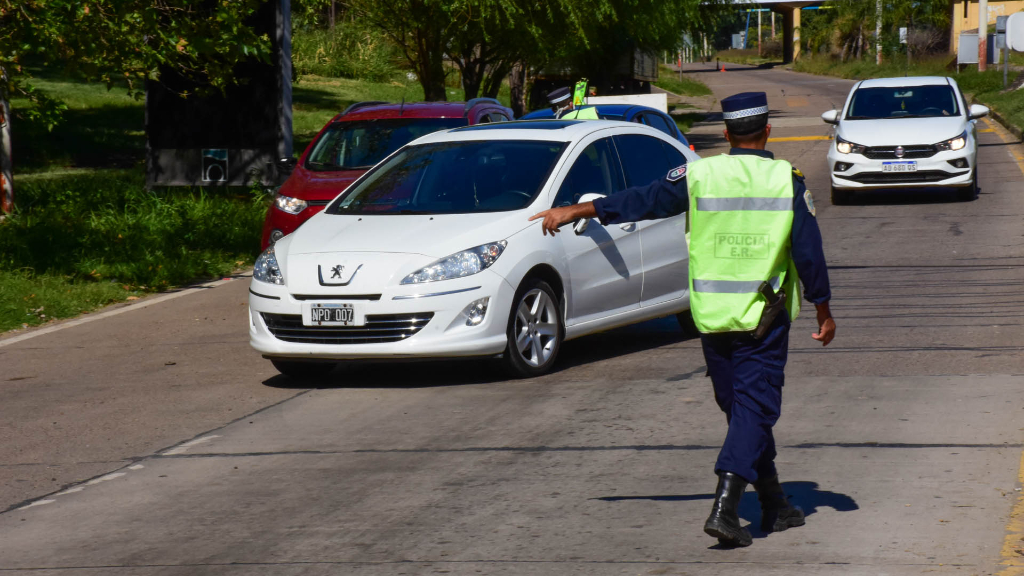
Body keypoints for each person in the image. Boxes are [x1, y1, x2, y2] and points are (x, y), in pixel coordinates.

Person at [529, 91, 836, 547]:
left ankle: (775, 505)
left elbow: (645, 199)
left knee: (743, 413)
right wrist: (823, 308)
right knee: (753, 411)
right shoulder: (784, 180)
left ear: (728, 134)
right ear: (766, 132)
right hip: (762, 317)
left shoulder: (699, 172)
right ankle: (725, 509)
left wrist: (579, 208)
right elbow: (808, 251)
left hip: (711, 318)